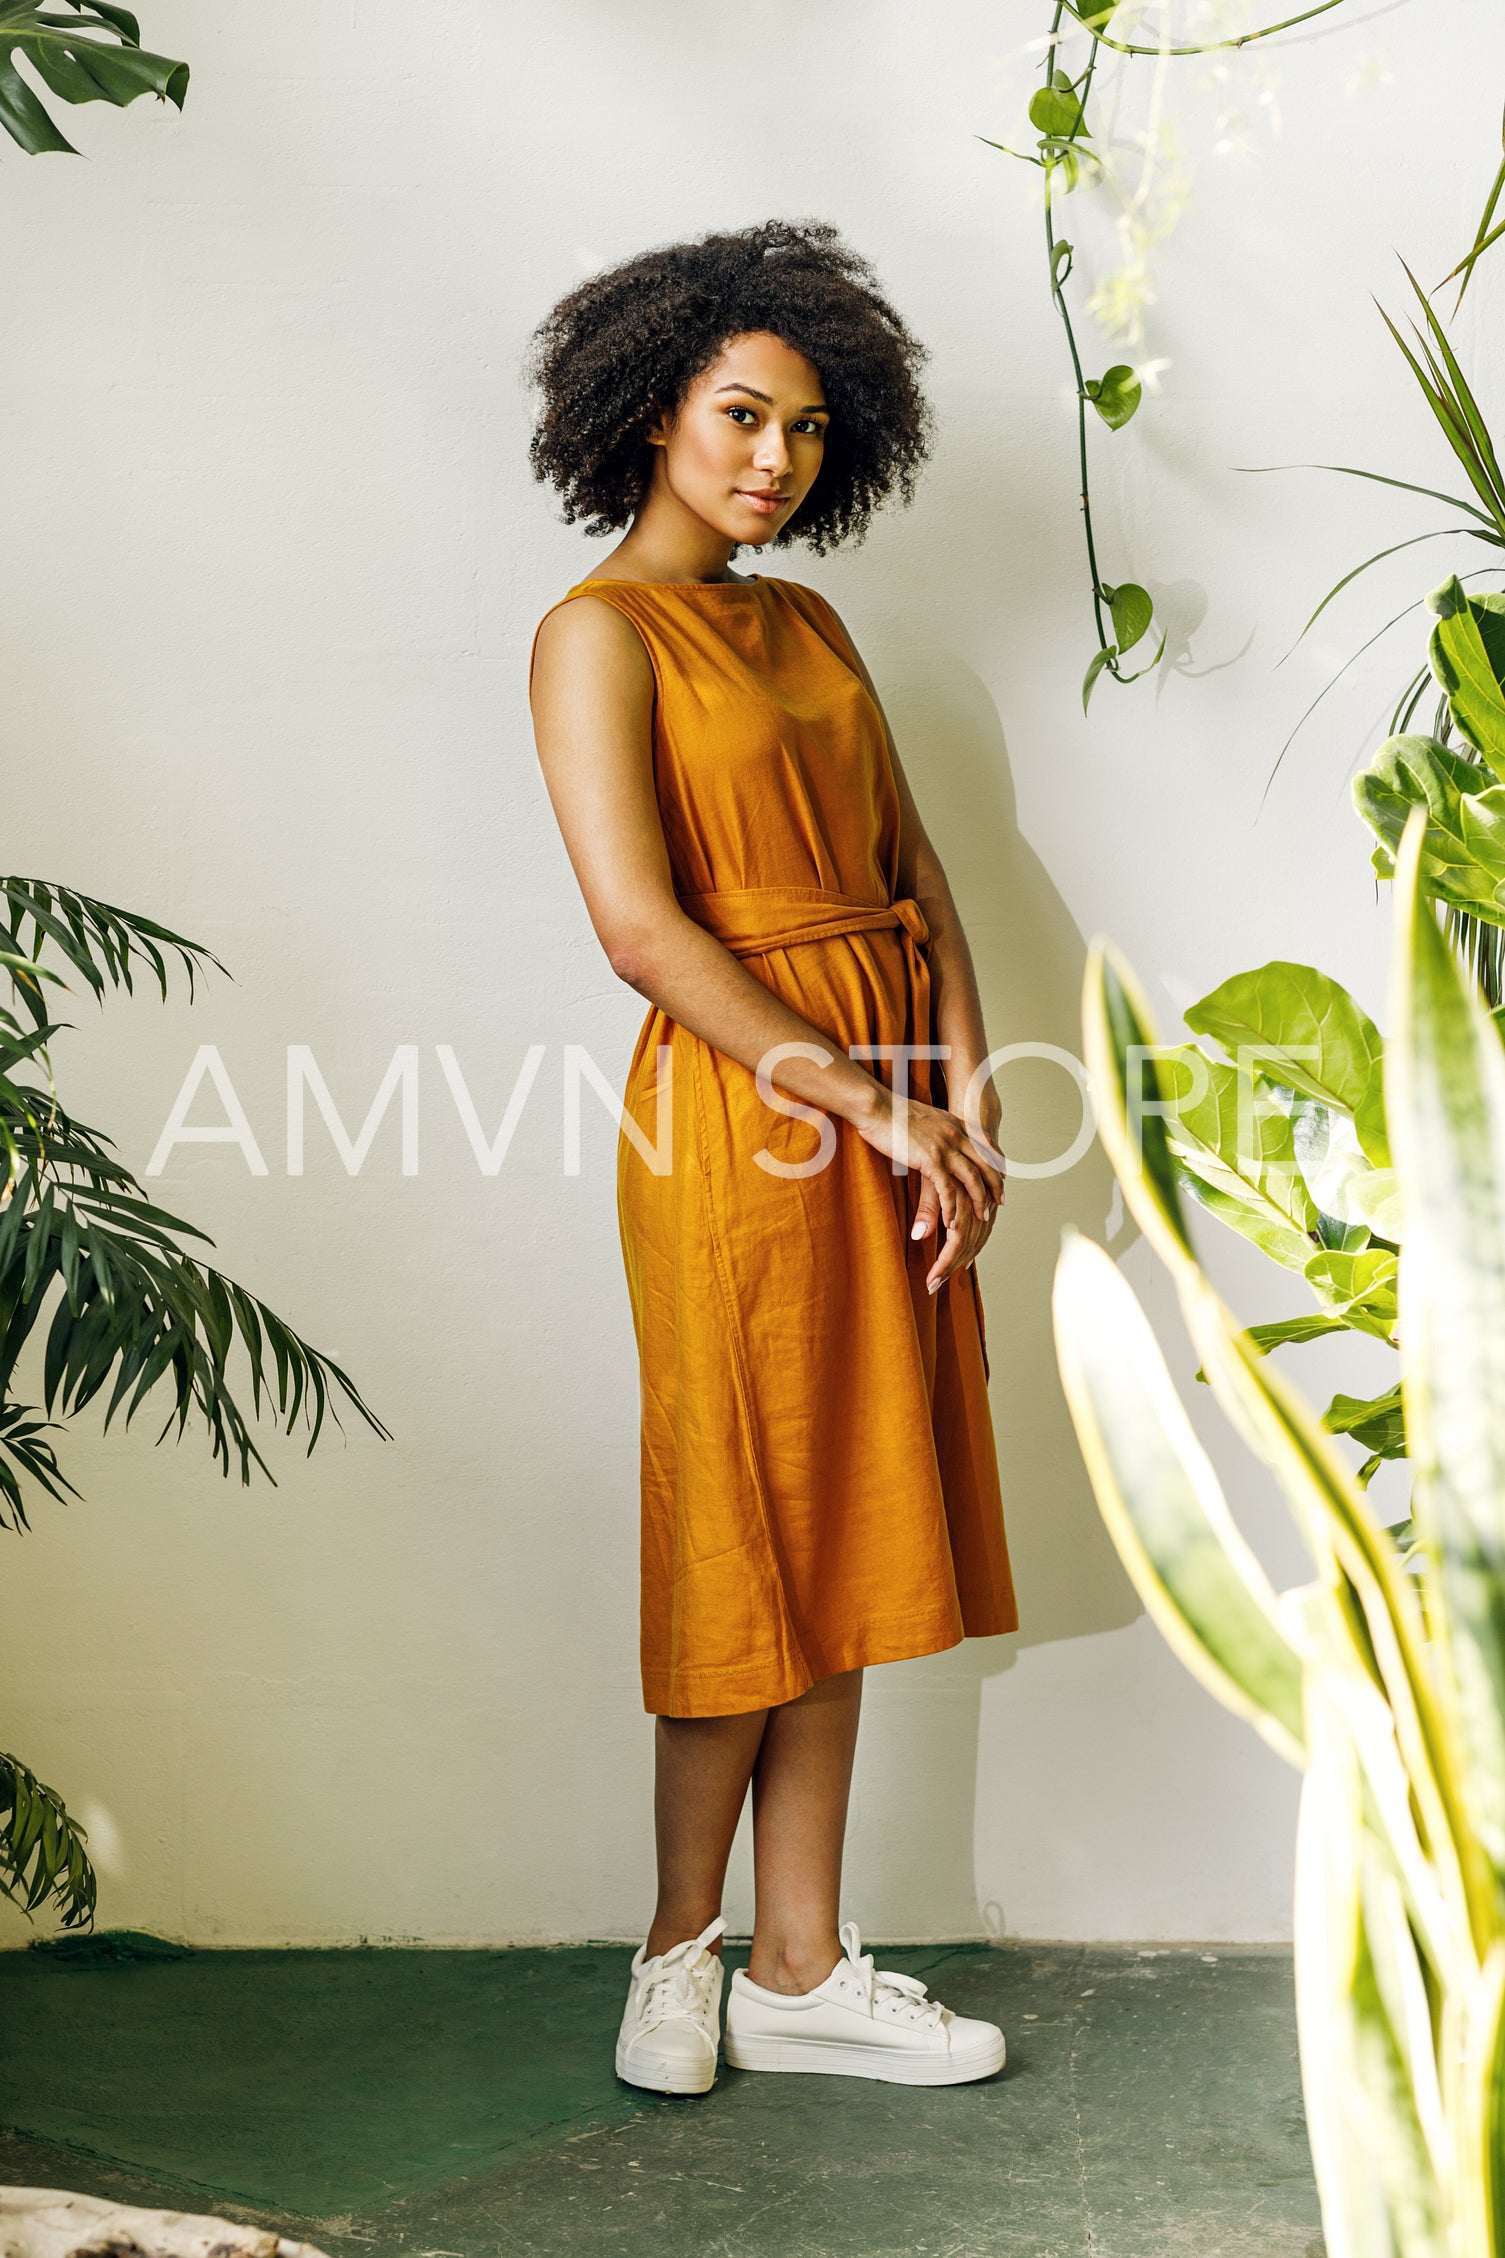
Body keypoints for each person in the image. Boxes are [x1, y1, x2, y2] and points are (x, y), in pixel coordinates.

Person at [526, 218, 1019, 2095]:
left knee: (853, 1521)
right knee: (744, 1520)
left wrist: (956, 1084)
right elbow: (643, 930)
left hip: (886, 1097)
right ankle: (680, 1947)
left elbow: (911, 870)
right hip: (744, 1115)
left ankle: (801, 1963)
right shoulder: (597, 632)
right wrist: (869, 1095)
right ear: (654, 410)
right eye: (741, 415)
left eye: (808, 430)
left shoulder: (806, 623)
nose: (771, 460)